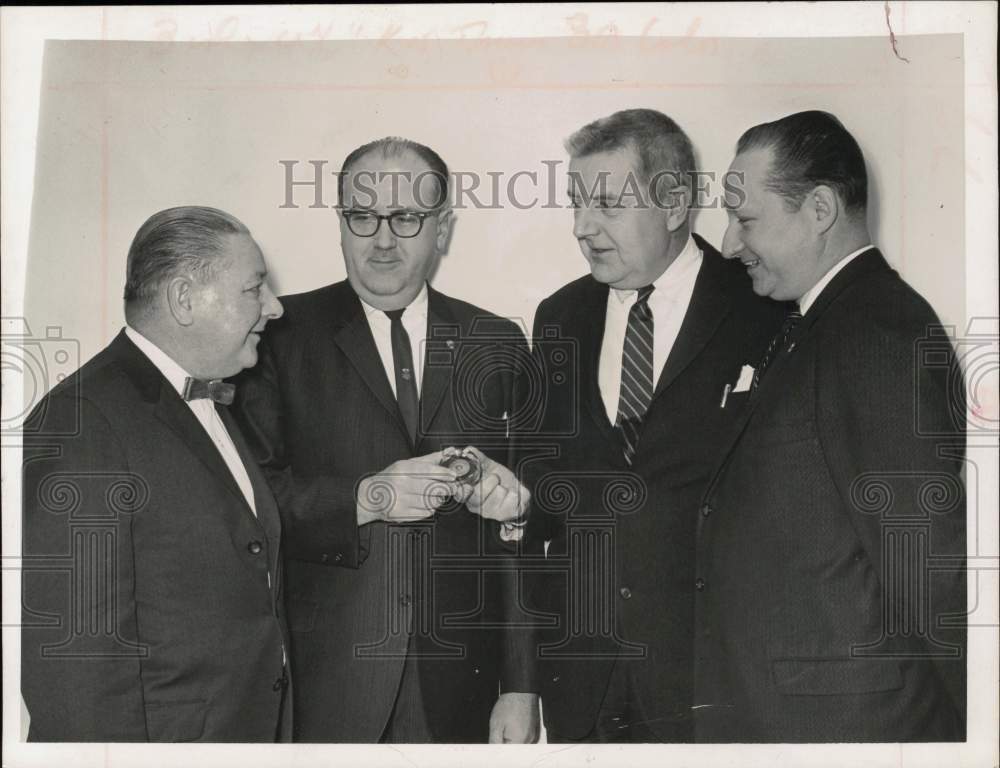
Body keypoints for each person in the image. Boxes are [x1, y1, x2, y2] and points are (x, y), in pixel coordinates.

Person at [232, 137, 539, 743]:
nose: (382, 239)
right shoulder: (277, 336)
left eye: (406, 218)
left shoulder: (496, 340)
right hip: (323, 677)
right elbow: (252, 503)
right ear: (340, 222)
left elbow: (520, 527)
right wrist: (369, 497)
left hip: (462, 679)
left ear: (442, 230)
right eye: (362, 216)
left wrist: (521, 683)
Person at [693, 110, 966, 741]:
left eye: (746, 219)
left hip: (852, 727)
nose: (730, 244)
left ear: (819, 210)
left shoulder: (875, 331)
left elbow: (927, 566)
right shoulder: (818, 323)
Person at [521, 108, 784, 742]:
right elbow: (541, 505)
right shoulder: (559, 316)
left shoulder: (763, 305)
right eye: (577, 204)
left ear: (673, 203)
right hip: (581, 678)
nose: (583, 228)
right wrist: (522, 676)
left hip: (711, 681)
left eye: (607, 205)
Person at [21, 206, 290, 741]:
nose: (274, 308)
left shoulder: (208, 395)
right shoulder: (82, 422)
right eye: (253, 290)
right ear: (184, 299)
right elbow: (78, 670)